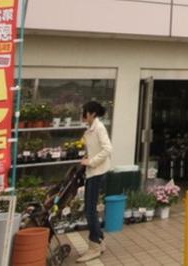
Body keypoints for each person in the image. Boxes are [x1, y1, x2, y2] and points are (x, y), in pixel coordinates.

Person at [77, 100, 113, 263]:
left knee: (90, 210)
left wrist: (91, 161)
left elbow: (107, 148)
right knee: (90, 208)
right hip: (93, 172)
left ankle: (95, 245)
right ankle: (99, 240)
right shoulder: (91, 129)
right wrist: (87, 158)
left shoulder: (99, 128)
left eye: (85, 112)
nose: (83, 115)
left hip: (97, 172)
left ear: (92, 114)